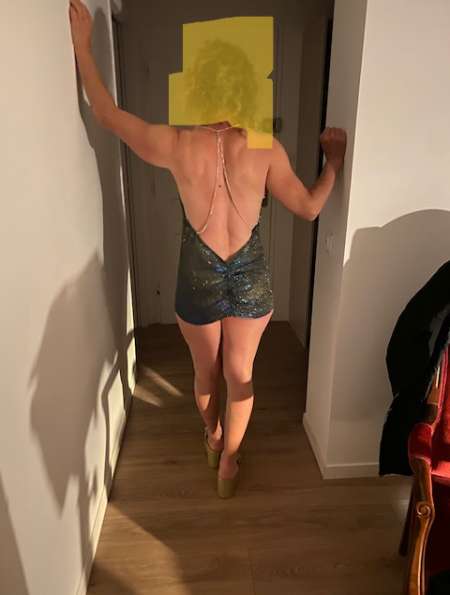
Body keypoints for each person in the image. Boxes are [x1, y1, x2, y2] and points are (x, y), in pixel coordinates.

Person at [69, 0, 347, 497]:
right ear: (245, 90)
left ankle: (214, 437)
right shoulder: (264, 146)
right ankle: (229, 467)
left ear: (197, 88)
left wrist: (83, 48)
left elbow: (106, 114)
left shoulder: (177, 144)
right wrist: (334, 163)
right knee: (241, 375)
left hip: (196, 276)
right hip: (250, 278)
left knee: (205, 372)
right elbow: (309, 207)